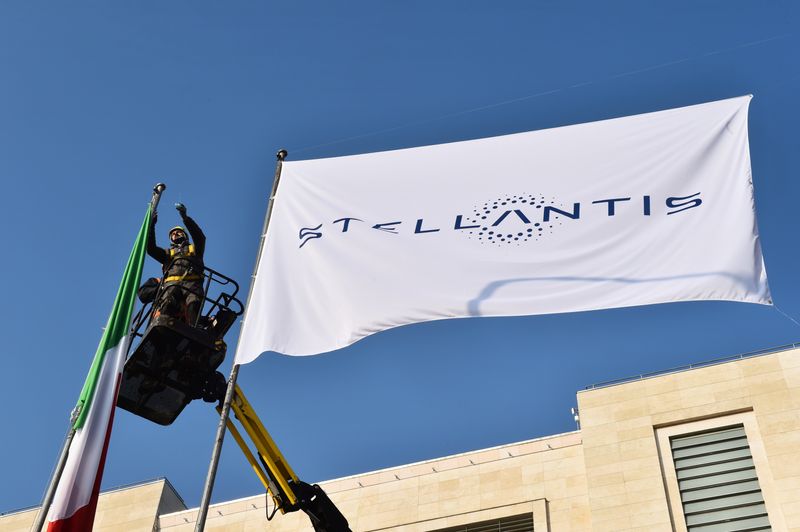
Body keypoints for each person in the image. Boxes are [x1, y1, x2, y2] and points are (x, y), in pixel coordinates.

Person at [147, 202, 206, 325]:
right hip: (172, 285)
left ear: (185, 235)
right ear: (171, 239)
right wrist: (151, 225)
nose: (175, 234)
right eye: (173, 234)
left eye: (179, 232)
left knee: (193, 307)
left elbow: (200, 237)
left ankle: (194, 330)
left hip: (193, 284)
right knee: (167, 306)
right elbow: (151, 249)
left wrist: (185, 218)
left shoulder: (195, 250)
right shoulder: (168, 253)